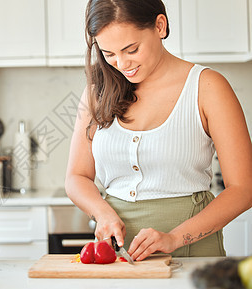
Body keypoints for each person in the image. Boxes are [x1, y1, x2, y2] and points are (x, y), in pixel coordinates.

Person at [65, 0, 252, 261]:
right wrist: (102, 212)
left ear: (160, 26)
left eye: (131, 49)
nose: (121, 63)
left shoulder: (208, 87)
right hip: (121, 253)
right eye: (109, 54)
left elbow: (244, 188)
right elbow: (76, 176)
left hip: (192, 251)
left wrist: (174, 238)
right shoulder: (98, 90)